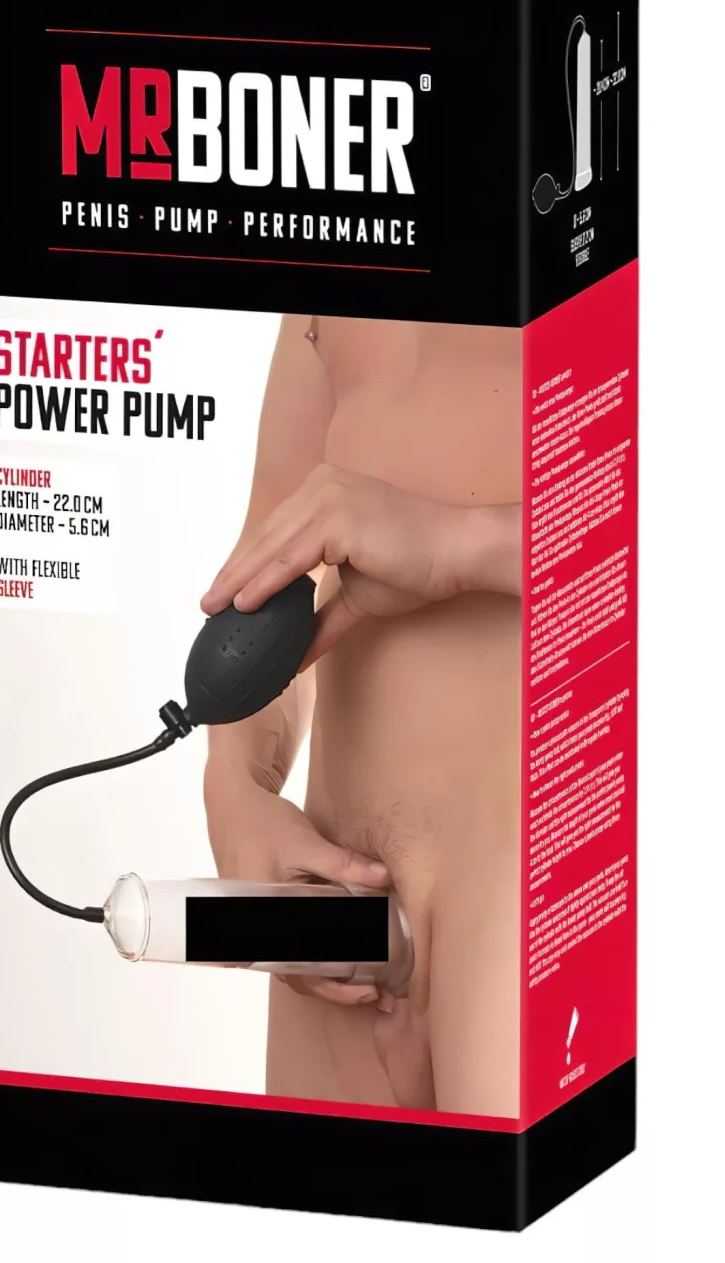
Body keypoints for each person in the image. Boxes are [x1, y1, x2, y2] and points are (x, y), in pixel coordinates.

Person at [200, 312, 522, 1117]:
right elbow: (274, 559)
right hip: (340, 913)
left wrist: (461, 545)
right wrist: (235, 788)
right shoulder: (322, 287)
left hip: (523, 892)